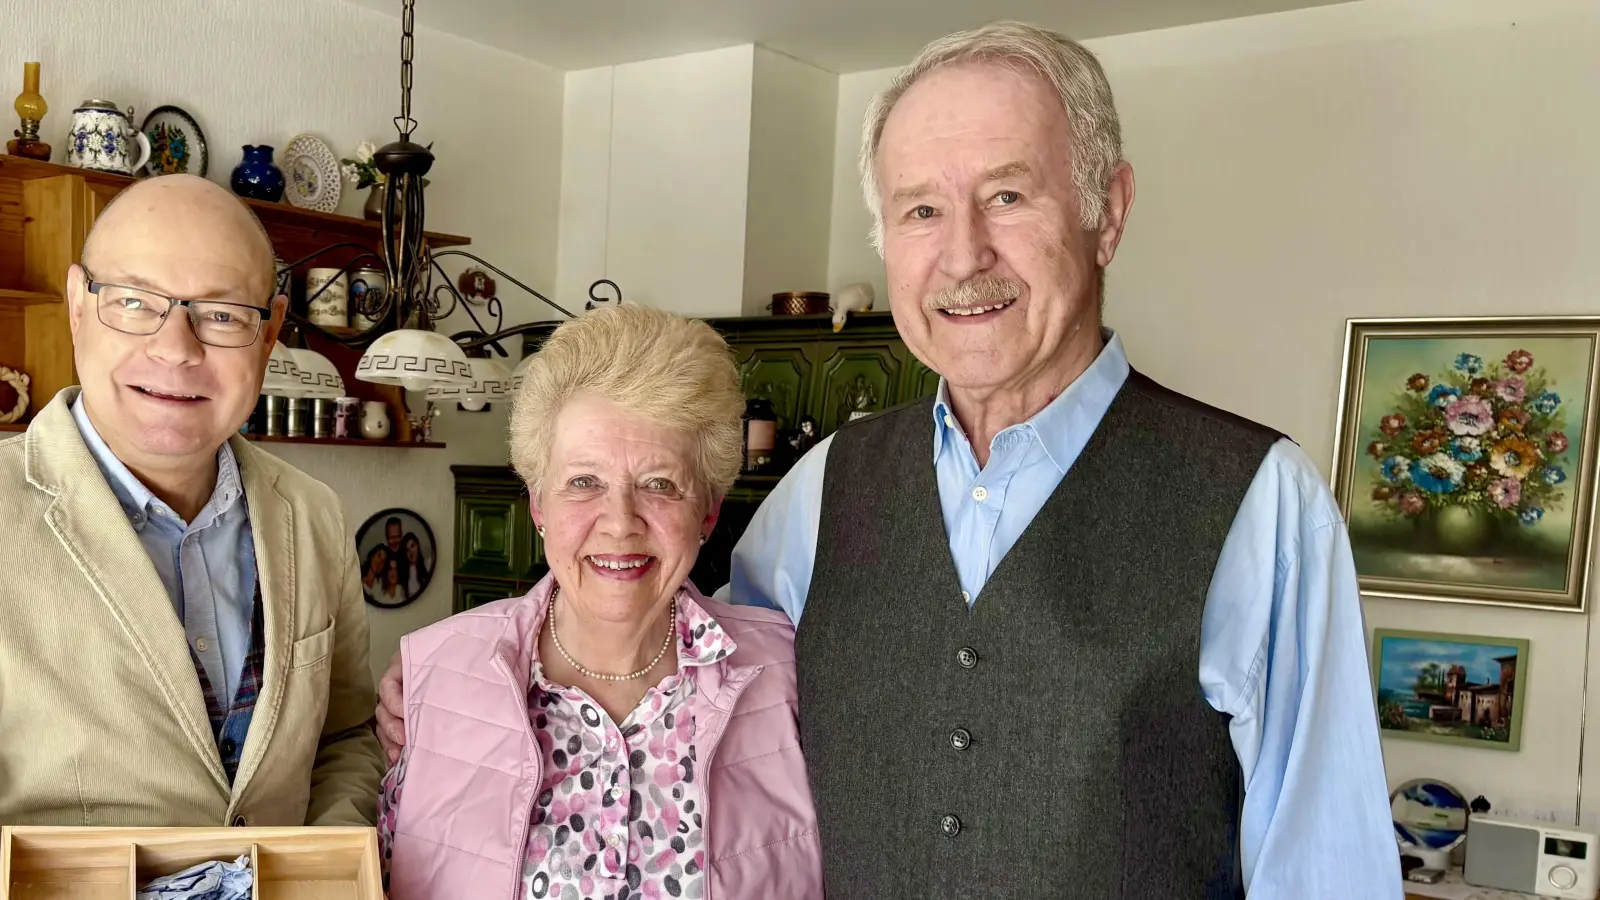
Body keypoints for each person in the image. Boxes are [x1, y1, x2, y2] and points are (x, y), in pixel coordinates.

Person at [711, 22, 1399, 899]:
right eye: (921, 209)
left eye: (1006, 196)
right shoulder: (818, 493)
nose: (963, 256)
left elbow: (1325, 876)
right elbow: (699, 732)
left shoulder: (1261, 502)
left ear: (1105, 212)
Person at [376, 304, 821, 900]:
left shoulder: (790, 677)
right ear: (539, 506)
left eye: (659, 485)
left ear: (707, 513)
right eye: (583, 482)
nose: (619, 524)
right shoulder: (435, 678)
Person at [0, 174, 386, 827]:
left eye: (222, 315)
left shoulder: (315, 513)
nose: (176, 349)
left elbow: (344, 740)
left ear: (270, 335)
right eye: (132, 301)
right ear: (76, 304)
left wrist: (330, 859)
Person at [401, 532, 428, 598]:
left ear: (418, 545)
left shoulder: (428, 565)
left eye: (412, 546)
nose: (411, 552)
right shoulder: (403, 574)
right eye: (407, 550)